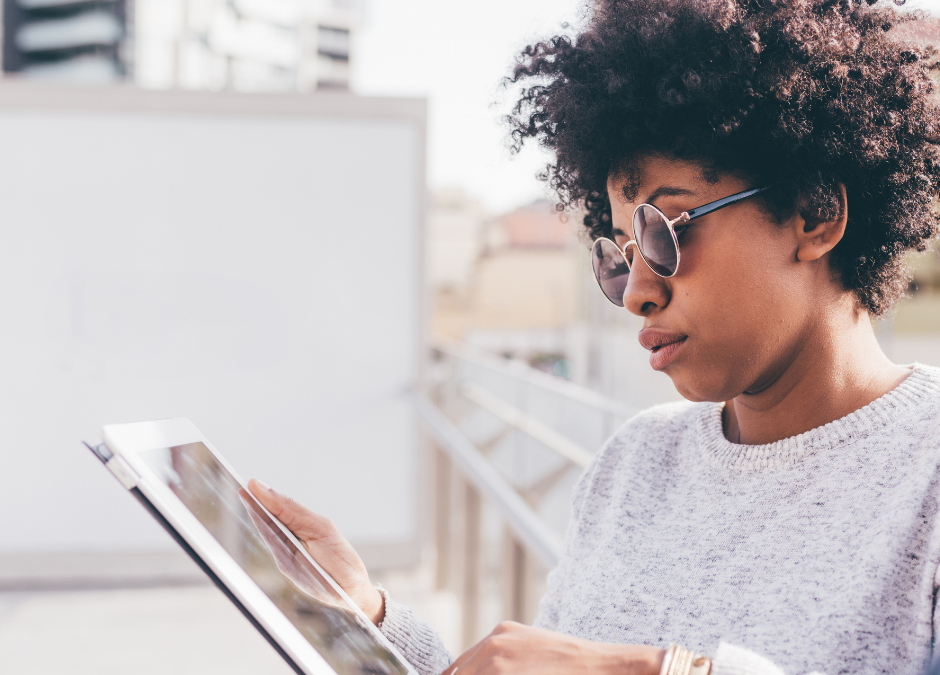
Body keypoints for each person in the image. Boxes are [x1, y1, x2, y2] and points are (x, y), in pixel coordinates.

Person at [249, 0, 940, 673]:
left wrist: (655, 669)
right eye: (619, 253)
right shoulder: (635, 463)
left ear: (815, 212)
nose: (637, 291)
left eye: (664, 232)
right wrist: (367, 617)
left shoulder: (925, 475)